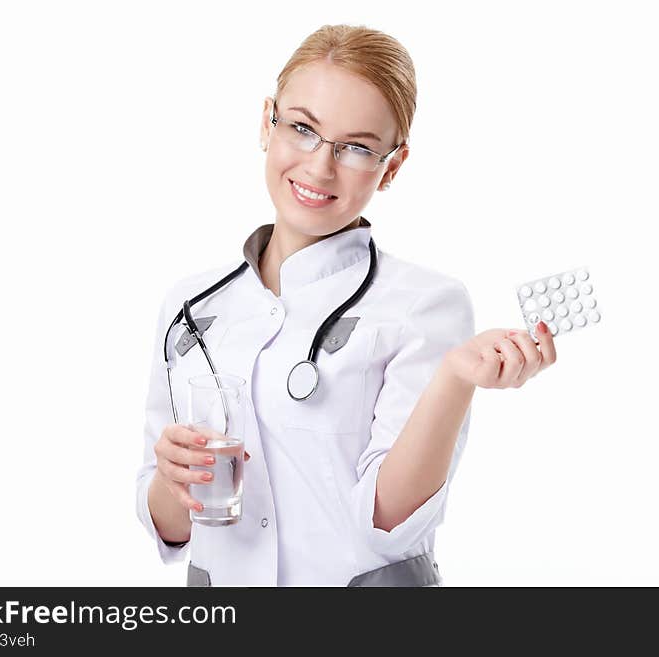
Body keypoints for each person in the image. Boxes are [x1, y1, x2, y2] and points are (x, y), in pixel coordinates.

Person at [135, 24, 557, 587]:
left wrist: (455, 379)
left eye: (356, 147)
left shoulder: (423, 305)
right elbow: (169, 526)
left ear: (394, 165)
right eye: (303, 129)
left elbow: (388, 524)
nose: (319, 167)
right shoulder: (190, 307)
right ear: (268, 123)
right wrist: (173, 476)